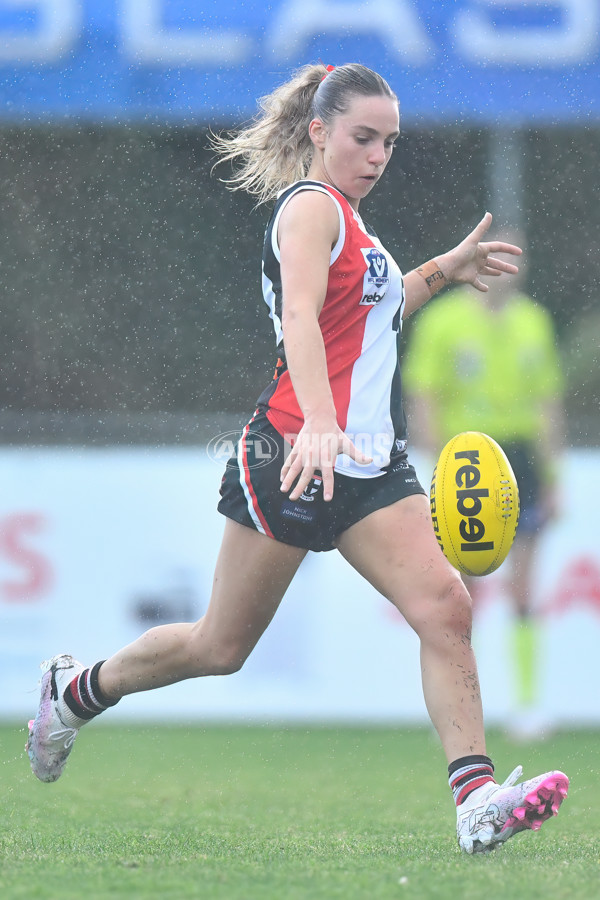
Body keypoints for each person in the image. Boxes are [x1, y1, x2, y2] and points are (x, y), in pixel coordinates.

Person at [26, 63, 568, 854]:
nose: (378, 154)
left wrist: (438, 274)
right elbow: (306, 319)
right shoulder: (312, 208)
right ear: (319, 132)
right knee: (220, 647)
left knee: (446, 610)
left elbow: (371, 318)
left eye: (389, 141)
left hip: (369, 468)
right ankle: (73, 693)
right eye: (363, 137)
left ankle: (476, 800)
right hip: (294, 451)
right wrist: (318, 420)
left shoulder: (354, 222)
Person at [403, 249, 565, 738]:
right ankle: (457, 707)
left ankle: (527, 704)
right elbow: (423, 394)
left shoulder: (533, 322)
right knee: (458, 592)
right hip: (468, 464)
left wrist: (554, 477)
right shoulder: (443, 321)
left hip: (522, 459)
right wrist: (437, 466)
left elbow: (547, 402)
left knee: (524, 585)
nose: (504, 277)